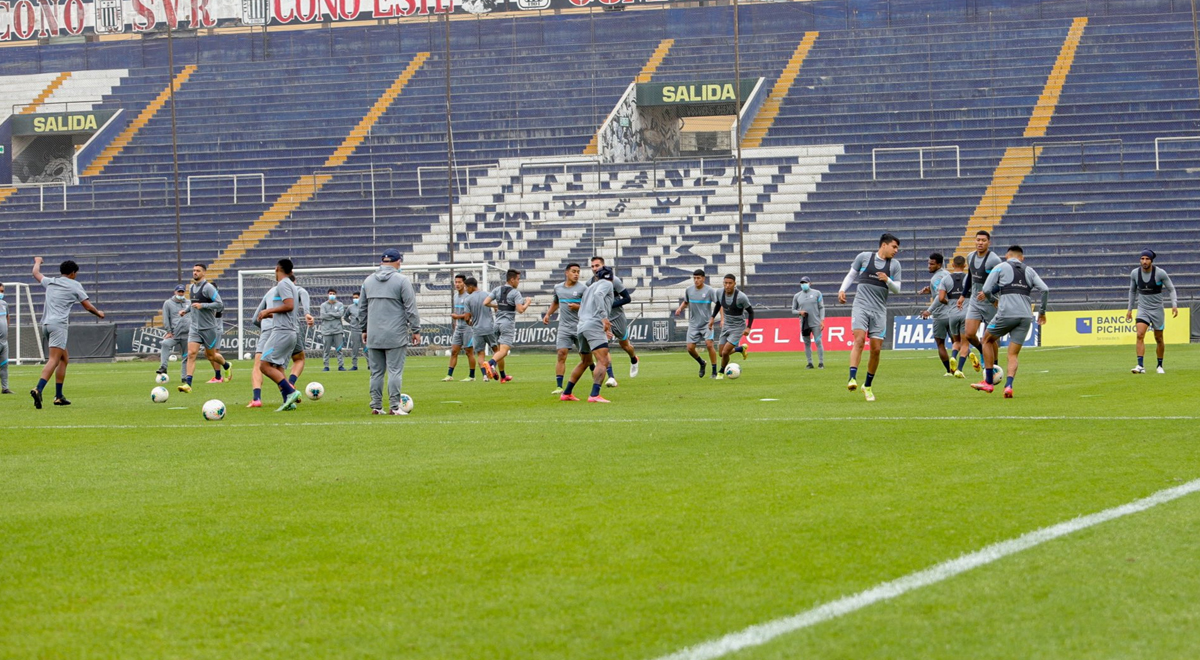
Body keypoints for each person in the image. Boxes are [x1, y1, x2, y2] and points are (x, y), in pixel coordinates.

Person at [971, 245, 1048, 398]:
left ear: (1007, 256)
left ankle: (988, 382)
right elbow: (1045, 289)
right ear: (1022, 258)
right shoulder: (1029, 270)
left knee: (986, 340)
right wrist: (1042, 312)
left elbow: (986, 289)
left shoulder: (1000, 267)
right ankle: (1009, 386)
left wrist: (994, 300)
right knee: (1013, 355)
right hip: (1026, 316)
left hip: (1006, 313)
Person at [29, 257, 105, 408]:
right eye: (76, 273)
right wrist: (99, 313)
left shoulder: (50, 281)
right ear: (72, 273)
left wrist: (38, 261)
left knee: (64, 358)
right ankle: (38, 388)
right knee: (54, 359)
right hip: (59, 326)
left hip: (45, 324)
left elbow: (35, 273)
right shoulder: (75, 285)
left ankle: (59, 396)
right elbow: (88, 306)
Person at [838, 233, 902, 402]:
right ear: (884, 245)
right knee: (858, 340)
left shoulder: (894, 265)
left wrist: (887, 280)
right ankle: (852, 378)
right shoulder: (864, 258)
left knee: (875, 350)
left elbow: (897, 289)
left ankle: (867, 385)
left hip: (879, 310)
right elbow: (851, 275)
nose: (896, 251)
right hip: (861, 306)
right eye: (894, 247)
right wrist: (842, 289)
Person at [359, 249, 420, 415]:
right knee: (395, 371)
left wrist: (364, 329)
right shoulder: (402, 281)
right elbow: (411, 308)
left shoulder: (368, 280)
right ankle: (394, 406)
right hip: (395, 333)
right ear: (398, 262)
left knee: (376, 372)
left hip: (373, 334)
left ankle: (376, 406)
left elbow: (362, 308)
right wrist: (416, 329)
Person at [561, 265, 615, 403]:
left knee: (585, 361)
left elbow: (584, 308)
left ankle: (566, 393)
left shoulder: (589, 288)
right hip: (594, 325)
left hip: (582, 326)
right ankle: (594, 395)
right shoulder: (607, 284)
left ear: (597, 276)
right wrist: (603, 318)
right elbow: (599, 296)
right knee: (604, 360)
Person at [255, 259, 303, 412]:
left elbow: (289, 306)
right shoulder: (290, 284)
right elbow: (287, 309)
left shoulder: (283, 284)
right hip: (288, 331)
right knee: (278, 367)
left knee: (264, 365)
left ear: (277, 269)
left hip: (282, 332)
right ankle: (289, 402)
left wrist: (268, 311)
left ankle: (291, 392)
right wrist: (270, 315)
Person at [179, 263, 231, 393]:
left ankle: (226, 365)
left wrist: (203, 306)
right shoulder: (191, 287)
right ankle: (188, 384)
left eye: (197, 271)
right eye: (193, 270)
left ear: (204, 273)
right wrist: (185, 311)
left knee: (211, 356)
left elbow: (220, 305)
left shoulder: (208, 288)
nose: (194, 272)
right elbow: (192, 304)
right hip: (195, 327)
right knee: (191, 354)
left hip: (209, 328)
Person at [1126, 249, 1178, 374]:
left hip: (1157, 310)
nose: (1144, 261)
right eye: (1142, 258)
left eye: (1147, 259)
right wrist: (1129, 309)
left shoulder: (1160, 273)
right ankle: (1140, 366)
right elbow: (1132, 291)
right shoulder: (1134, 273)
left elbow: (1171, 289)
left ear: (1151, 260)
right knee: (1140, 334)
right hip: (1143, 309)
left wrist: (1174, 305)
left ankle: (1159, 365)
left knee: (1159, 338)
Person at [957, 230, 1002, 373]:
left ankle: (994, 365)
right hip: (975, 300)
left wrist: (990, 292)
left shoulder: (994, 260)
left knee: (989, 337)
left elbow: (1003, 281)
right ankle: (983, 351)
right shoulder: (970, 257)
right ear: (975, 241)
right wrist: (963, 295)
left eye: (983, 240)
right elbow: (970, 277)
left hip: (990, 301)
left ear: (989, 242)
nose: (980, 243)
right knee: (969, 334)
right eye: (978, 240)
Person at [589, 256, 639, 383]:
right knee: (603, 347)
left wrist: (609, 305)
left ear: (603, 265)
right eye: (592, 266)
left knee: (625, 345)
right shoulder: (590, 283)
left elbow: (627, 298)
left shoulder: (614, 280)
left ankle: (634, 359)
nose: (595, 268)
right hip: (601, 319)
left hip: (617, 317)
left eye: (597, 265)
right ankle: (611, 377)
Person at [481, 269, 531, 383]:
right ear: (512, 279)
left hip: (496, 324)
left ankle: (503, 376)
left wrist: (496, 306)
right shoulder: (515, 293)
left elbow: (485, 302)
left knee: (498, 352)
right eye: (518, 279)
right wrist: (528, 302)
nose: (518, 282)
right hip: (507, 324)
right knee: (504, 351)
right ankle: (490, 363)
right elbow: (520, 310)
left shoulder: (497, 289)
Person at [544, 263, 587, 394]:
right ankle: (559, 386)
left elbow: (589, 307)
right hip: (564, 327)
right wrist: (548, 314)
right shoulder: (558, 288)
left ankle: (596, 379)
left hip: (580, 327)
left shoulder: (583, 288)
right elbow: (556, 302)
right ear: (566, 273)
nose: (576, 274)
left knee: (586, 358)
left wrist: (577, 307)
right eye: (574, 271)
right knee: (561, 354)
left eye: (578, 272)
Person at [674, 269, 721, 379]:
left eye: (698, 278)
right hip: (694, 324)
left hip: (706, 323)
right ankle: (701, 363)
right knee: (690, 348)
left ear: (703, 278)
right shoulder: (689, 290)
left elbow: (719, 304)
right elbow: (686, 301)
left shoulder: (709, 291)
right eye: (694, 278)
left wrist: (718, 319)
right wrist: (680, 308)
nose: (696, 280)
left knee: (709, 345)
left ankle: (714, 372)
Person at [919, 253, 956, 376]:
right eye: (928, 263)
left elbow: (940, 297)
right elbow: (946, 291)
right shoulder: (947, 274)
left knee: (940, 344)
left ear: (939, 264)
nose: (929, 266)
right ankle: (962, 365)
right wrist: (930, 290)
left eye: (932, 264)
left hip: (940, 316)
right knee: (957, 342)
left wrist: (929, 310)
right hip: (952, 313)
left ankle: (949, 371)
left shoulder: (935, 278)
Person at [247, 279, 279, 408]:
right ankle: (290, 392)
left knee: (258, 364)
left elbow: (255, 318)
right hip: (286, 332)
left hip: (269, 330)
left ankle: (256, 399)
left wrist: (264, 327)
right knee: (281, 366)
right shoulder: (294, 291)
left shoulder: (270, 292)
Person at [713, 274, 752, 379]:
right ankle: (741, 349)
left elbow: (751, 312)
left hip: (738, 327)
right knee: (721, 353)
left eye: (730, 283)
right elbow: (718, 304)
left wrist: (748, 327)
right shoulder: (719, 292)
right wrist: (712, 318)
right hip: (726, 325)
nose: (727, 285)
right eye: (725, 283)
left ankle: (721, 372)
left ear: (735, 284)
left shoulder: (741, 297)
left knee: (726, 352)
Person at [444, 274, 478, 382]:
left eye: (459, 282)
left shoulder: (469, 296)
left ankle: (472, 376)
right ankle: (449, 375)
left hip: (468, 328)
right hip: (459, 327)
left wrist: (457, 316)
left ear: (464, 283)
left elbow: (471, 314)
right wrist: (456, 322)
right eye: (456, 282)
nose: (457, 284)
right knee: (454, 351)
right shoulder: (455, 296)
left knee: (469, 352)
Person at [942, 255, 969, 377]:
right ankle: (960, 368)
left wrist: (950, 304)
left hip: (952, 314)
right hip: (966, 313)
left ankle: (953, 357)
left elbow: (941, 298)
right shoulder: (969, 278)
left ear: (952, 265)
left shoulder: (946, 279)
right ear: (965, 266)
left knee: (956, 341)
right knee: (965, 343)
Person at [158, 285, 190, 382]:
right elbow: (166, 318)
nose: (180, 293)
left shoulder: (189, 303)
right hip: (174, 334)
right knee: (165, 344)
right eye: (179, 292)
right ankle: (163, 367)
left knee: (186, 356)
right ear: (175, 292)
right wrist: (168, 331)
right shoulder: (168, 303)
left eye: (182, 292)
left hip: (187, 334)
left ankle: (184, 377)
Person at [791, 276, 824, 369]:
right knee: (807, 343)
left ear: (810, 283)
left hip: (815, 322)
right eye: (802, 283)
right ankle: (810, 363)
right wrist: (799, 312)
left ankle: (821, 362)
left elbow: (821, 307)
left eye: (805, 283)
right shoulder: (797, 296)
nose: (803, 284)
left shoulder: (817, 293)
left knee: (818, 342)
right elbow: (793, 310)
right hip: (804, 323)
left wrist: (822, 320)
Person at [286, 274, 313, 387]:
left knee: (269, 365)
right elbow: (304, 294)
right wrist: (307, 313)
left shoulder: (273, 291)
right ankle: (290, 384)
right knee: (299, 359)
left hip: (273, 331)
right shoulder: (298, 290)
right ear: (295, 281)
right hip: (291, 329)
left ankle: (256, 396)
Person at [318, 288, 347, 372]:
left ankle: (341, 366)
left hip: (337, 330)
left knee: (339, 349)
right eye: (330, 293)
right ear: (328, 294)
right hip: (326, 331)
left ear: (336, 295)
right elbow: (323, 316)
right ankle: (326, 366)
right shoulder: (323, 305)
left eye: (333, 293)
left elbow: (340, 314)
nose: (332, 295)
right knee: (326, 350)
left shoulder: (340, 304)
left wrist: (329, 314)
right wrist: (334, 315)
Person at [343, 292, 364, 370]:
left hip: (363, 330)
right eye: (354, 298)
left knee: (366, 349)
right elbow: (345, 317)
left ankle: (370, 364)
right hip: (354, 330)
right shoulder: (350, 307)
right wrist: (351, 323)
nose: (355, 299)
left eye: (356, 297)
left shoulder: (364, 306)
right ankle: (354, 365)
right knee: (355, 349)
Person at [0, 283, 11, 394]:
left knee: (4, 365)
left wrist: (7, 330)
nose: (1, 293)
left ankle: (5, 388)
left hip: (3, 341)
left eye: (2, 291)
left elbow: (7, 317)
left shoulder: (4, 304)